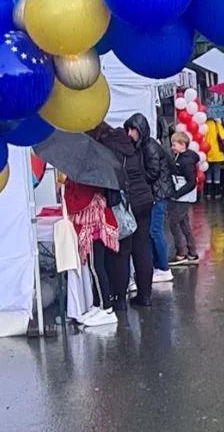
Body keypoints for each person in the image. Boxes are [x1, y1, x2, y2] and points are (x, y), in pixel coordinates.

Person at [89, 122, 153, 309]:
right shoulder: (128, 143)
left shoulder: (105, 150)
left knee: (121, 253)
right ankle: (145, 296)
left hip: (127, 204)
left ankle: (120, 300)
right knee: (142, 249)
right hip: (144, 199)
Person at [125, 113, 175, 285]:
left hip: (158, 194)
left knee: (155, 231)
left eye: (133, 129)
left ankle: (164, 268)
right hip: (156, 193)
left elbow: (153, 172)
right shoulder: (145, 145)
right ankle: (158, 266)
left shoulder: (149, 147)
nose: (130, 133)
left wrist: (139, 180)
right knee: (152, 232)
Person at [62, 178, 119, 327]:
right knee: (97, 268)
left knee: (96, 268)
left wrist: (65, 188)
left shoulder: (84, 178)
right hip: (96, 226)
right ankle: (97, 304)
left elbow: (77, 203)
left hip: (93, 227)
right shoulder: (91, 172)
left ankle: (106, 308)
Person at [166, 132, 201, 266]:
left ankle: (182, 251)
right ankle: (192, 252)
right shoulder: (182, 157)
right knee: (184, 223)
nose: (172, 147)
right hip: (183, 196)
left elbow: (191, 182)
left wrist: (178, 194)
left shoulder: (186, 161)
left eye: (174, 144)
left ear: (182, 145)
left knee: (174, 222)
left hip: (183, 197)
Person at [203, 117, 224, 199]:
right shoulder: (217, 124)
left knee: (208, 171)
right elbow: (223, 136)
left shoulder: (204, 125)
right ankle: (217, 192)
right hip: (217, 152)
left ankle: (208, 192)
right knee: (217, 171)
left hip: (206, 151)